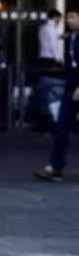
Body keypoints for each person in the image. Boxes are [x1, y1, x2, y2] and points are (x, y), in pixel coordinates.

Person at [35, 9, 79, 182]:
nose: (69, 20)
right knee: (61, 128)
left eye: (73, 17)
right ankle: (55, 167)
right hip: (71, 88)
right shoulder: (70, 38)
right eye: (68, 17)